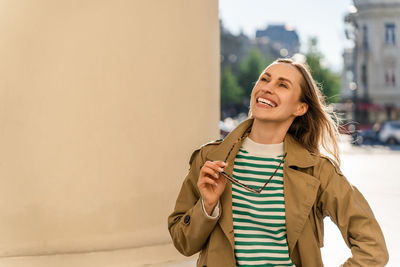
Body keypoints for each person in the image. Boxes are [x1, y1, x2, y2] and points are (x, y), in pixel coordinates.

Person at [167, 58, 389, 267]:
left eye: (282, 85)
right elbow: (183, 243)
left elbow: (373, 249)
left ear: (300, 108)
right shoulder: (209, 158)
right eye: (264, 79)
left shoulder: (318, 171)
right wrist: (206, 207)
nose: (267, 87)